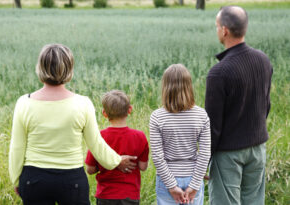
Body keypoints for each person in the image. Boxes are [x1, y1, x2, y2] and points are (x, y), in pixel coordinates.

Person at [8, 44, 137, 205]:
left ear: (40, 67)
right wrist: (117, 161)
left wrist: (16, 179)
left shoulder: (24, 103)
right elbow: (96, 143)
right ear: (69, 68)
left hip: (34, 179)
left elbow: (17, 147)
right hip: (71, 180)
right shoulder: (83, 103)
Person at [205, 6, 273, 205]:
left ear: (224, 30)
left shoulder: (218, 73)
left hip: (228, 154)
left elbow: (213, 126)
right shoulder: (263, 60)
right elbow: (265, 104)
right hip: (258, 148)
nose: (216, 30)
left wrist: (202, 164)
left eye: (217, 26)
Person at [150, 64, 211, 205]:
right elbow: (205, 153)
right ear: (189, 86)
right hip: (193, 176)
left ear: (165, 87)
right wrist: (195, 185)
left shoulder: (157, 117)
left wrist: (172, 186)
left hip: (166, 180)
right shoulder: (201, 115)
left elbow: (158, 157)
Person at [85, 90, 149, 205]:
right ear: (130, 109)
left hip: (106, 194)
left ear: (104, 113)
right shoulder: (140, 136)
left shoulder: (99, 137)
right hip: (130, 194)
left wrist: (107, 163)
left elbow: (90, 169)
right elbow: (143, 167)